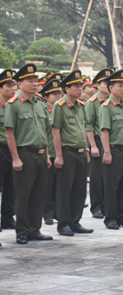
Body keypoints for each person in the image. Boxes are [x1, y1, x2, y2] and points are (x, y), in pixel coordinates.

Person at [5, 63, 54, 244]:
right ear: (19, 84)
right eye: (29, 81)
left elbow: (45, 132)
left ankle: (35, 229)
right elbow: (10, 133)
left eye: (35, 81)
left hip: (41, 154)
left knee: (39, 194)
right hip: (24, 154)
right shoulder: (14, 104)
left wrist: (47, 155)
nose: (34, 84)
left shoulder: (40, 103)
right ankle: (22, 231)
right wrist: (15, 158)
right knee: (23, 194)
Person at [51, 70, 93, 236]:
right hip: (67, 152)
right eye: (75, 86)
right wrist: (59, 155)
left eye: (80, 85)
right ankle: (64, 223)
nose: (80, 88)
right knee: (65, 189)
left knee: (79, 189)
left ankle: (75, 221)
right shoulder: (59, 106)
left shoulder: (81, 106)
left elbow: (82, 130)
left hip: (81, 152)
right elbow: (56, 132)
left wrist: (86, 149)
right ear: (66, 89)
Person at [99, 69, 123, 230]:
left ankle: (121, 215)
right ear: (110, 88)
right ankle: (110, 217)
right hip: (114, 150)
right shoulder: (106, 107)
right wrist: (107, 151)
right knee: (111, 185)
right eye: (119, 86)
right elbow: (104, 130)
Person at [85, 68, 114, 219]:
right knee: (97, 176)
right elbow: (89, 125)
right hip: (97, 141)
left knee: (109, 176)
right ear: (97, 85)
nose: (108, 85)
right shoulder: (93, 102)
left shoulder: (112, 102)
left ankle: (107, 205)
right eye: (105, 82)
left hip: (110, 141)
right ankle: (96, 206)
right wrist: (93, 146)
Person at [40, 79, 61, 226]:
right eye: (53, 94)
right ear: (46, 97)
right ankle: (47, 213)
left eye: (59, 93)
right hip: (48, 152)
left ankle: (56, 211)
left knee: (58, 185)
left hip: (60, 152)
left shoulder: (61, 109)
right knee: (47, 185)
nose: (57, 96)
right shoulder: (43, 110)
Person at [0, 69, 16, 233]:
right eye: (8, 85)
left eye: (13, 85)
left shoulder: (14, 106)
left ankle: (7, 218)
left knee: (12, 187)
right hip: (0, 149)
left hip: (13, 150)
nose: (12, 88)